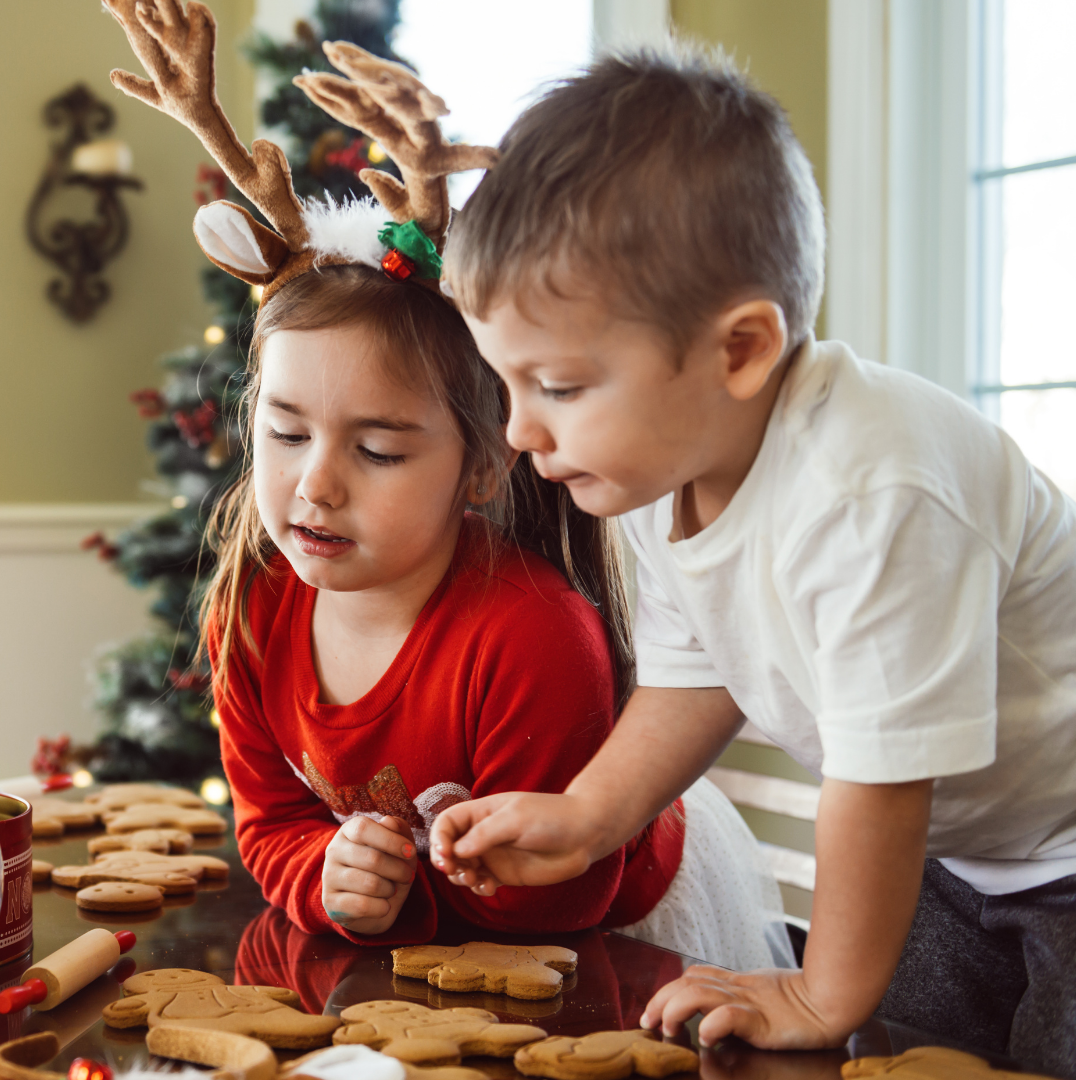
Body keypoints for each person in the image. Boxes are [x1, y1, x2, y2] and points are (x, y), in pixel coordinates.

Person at [429, 44, 1076, 1079]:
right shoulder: (657, 473)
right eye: (508, 384)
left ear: (739, 350)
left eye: (558, 384)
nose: (518, 432)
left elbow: (883, 779)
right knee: (898, 1056)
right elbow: (697, 676)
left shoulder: (877, 489)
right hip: (970, 852)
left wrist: (821, 987)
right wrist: (587, 818)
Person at [202, 261, 788, 970]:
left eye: (378, 451)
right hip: (425, 957)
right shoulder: (252, 609)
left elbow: (555, 901)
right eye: (287, 435)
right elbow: (272, 825)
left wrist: (399, 896)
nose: (317, 485)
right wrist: (327, 877)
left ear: (483, 464)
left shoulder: (535, 637)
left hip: (607, 947)